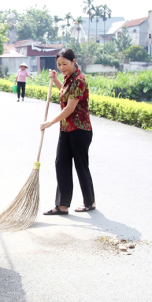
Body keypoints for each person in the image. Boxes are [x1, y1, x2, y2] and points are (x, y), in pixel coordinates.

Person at [40, 48, 96, 215]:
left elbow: (70, 108)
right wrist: (56, 79)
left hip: (80, 129)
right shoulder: (68, 79)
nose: (62, 67)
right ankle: (62, 205)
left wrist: (50, 122)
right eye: (59, 65)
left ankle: (89, 202)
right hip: (66, 128)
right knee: (61, 163)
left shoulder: (79, 80)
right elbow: (64, 94)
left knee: (80, 166)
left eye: (65, 64)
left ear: (73, 61)